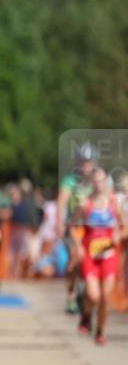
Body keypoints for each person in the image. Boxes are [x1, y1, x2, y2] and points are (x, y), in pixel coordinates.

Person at [71, 166, 125, 346]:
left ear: (107, 181)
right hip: (90, 255)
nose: (99, 184)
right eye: (96, 180)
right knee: (93, 296)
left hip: (108, 255)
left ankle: (100, 331)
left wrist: (118, 235)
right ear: (91, 182)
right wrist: (78, 246)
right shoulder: (85, 203)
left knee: (105, 297)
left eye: (102, 180)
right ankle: (86, 316)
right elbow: (72, 226)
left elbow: (124, 226)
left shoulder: (114, 203)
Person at [56, 144, 98, 314]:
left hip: (94, 230)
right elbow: (62, 202)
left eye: (88, 163)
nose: (85, 166)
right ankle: (71, 294)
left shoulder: (100, 180)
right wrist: (59, 222)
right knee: (74, 259)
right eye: (83, 162)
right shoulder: (70, 181)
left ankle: (91, 292)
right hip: (75, 228)